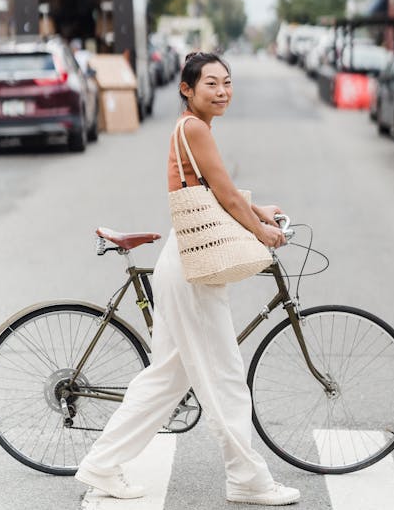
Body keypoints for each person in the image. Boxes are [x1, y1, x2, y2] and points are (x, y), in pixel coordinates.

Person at [75, 52, 300, 506]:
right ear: (186, 89)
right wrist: (263, 232)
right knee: (224, 376)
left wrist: (259, 211)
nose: (222, 91)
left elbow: (220, 193)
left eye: (227, 83)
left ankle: (101, 464)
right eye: (211, 84)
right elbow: (226, 198)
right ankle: (247, 480)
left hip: (184, 261)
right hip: (192, 268)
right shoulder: (194, 128)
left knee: (168, 379)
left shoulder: (193, 129)